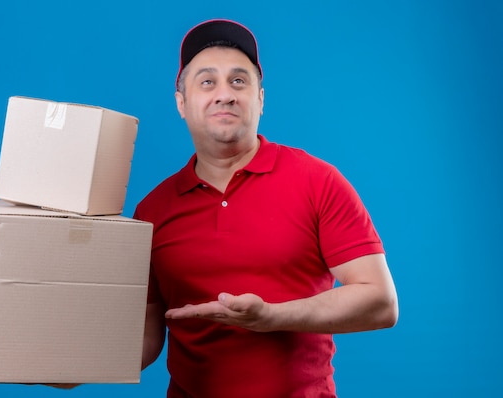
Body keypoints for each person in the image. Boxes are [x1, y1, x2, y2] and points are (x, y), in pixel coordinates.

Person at [133, 19, 399, 398]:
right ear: (181, 103)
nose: (224, 94)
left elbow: (380, 302)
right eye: (207, 82)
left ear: (260, 99)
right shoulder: (152, 210)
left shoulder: (317, 181)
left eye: (239, 81)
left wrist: (271, 317)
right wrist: (72, 366)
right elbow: (145, 333)